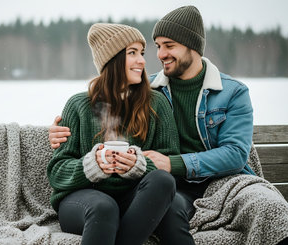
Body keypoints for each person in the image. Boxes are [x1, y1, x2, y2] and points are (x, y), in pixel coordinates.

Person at [50, 6, 288, 245]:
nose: (156, 57)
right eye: (156, 47)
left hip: (212, 183)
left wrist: (152, 164)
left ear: (192, 47)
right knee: (122, 206)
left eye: (168, 46)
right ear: (112, 60)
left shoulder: (224, 93)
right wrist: (78, 151)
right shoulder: (139, 91)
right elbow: (61, 165)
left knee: (266, 208)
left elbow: (232, 153)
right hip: (153, 192)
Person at [46, 22, 195, 245]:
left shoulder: (156, 104)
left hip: (135, 201)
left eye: (142, 53)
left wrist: (138, 165)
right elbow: (58, 172)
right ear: (112, 59)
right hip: (84, 201)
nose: (142, 61)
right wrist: (92, 164)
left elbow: (169, 173)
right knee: (104, 207)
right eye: (132, 53)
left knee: (162, 181)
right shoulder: (79, 105)